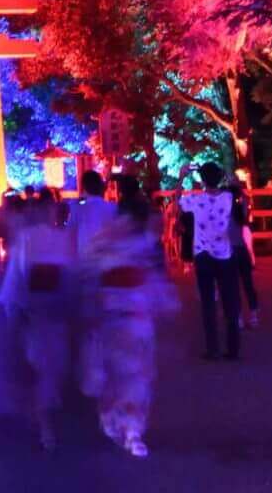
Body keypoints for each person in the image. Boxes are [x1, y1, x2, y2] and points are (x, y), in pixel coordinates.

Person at [81, 175, 174, 458]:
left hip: (132, 316)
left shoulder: (137, 243)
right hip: (115, 316)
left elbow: (154, 277)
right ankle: (116, 421)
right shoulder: (106, 243)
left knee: (135, 376)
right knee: (120, 375)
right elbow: (89, 278)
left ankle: (131, 430)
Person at [0, 195, 77, 450]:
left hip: (41, 310)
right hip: (46, 312)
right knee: (48, 367)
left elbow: (16, 279)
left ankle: (43, 418)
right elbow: (69, 276)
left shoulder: (34, 238)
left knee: (47, 367)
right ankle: (46, 426)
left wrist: (12, 308)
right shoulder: (47, 238)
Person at [180, 161, 240, 362]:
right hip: (224, 253)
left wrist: (182, 175)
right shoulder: (228, 198)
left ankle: (212, 348)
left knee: (208, 303)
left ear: (203, 180)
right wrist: (227, 173)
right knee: (229, 300)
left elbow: (177, 201)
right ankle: (233, 348)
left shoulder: (196, 201)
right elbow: (237, 185)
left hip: (202, 253)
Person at [229, 181, 260, 330]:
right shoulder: (239, 211)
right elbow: (246, 200)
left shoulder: (227, 212)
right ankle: (253, 315)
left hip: (230, 251)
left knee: (234, 286)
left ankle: (239, 316)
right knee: (247, 283)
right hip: (241, 250)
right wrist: (239, 190)